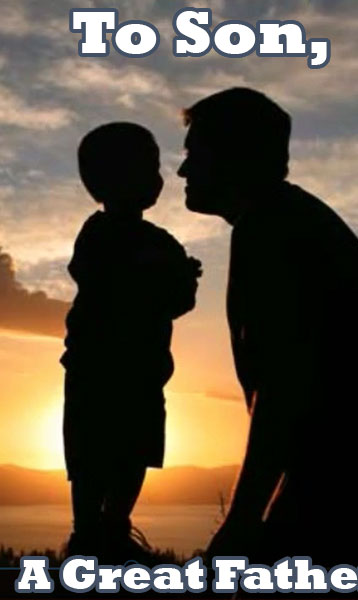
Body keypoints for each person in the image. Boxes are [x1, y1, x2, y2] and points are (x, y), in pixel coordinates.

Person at [178, 88, 358, 584]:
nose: (182, 172)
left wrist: (241, 520)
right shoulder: (285, 218)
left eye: (194, 154)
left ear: (236, 155)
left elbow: (281, 389)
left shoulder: (271, 228)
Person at [61, 122, 201, 561]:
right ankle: (87, 535)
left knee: (133, 454)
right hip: (95, 370)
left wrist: (179, 280)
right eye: (148, 168)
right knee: (89, 459)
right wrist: (159, 276)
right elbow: (96, 278)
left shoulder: (161, 242)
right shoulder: (97, 234)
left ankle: (115, 530)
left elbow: (180, 300)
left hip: (143, 374)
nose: (159, 179)